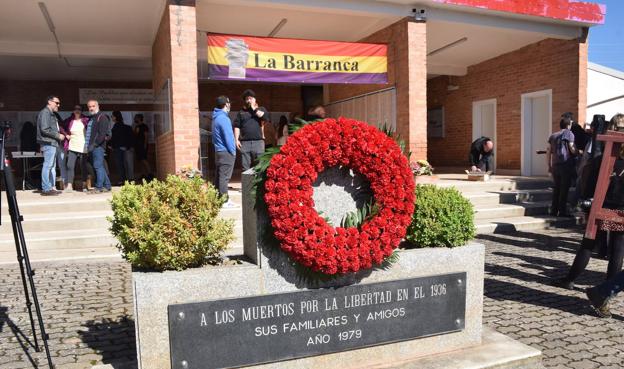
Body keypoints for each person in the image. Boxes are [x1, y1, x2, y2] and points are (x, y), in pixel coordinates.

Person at [553, 114, 624, 291]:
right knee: (617, 248)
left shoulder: (604, 157)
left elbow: (589, 180)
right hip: (618, 207)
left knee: (589, 243)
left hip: (602, 204)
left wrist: (585, 201)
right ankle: (606, 289)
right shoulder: (606, 157)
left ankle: (570, 280)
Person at [546, 118, 577, 217]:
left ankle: (553, 211)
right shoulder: (569, 133)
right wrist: (577, 152)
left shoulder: (553, 136)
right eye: (571, 124)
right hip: (566, 164)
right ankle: (562, 211)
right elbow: (572, 148)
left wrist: (549, 165)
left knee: (557, 188)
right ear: (568, 125)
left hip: (555, 165)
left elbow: (548, 151)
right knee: (564, 189)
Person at [36, 95, 64, 196]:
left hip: (51, 143)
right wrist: (57, 135)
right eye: (56, 103)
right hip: (48, 143)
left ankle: (51, 187)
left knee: (51, 166)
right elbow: (44, 129)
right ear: (49, 102)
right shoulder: (45, 113)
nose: (58, 105)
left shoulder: (51, 113)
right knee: (48, 165)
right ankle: (46, 189)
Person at [234, 89, 269, 171]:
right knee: (245, 167)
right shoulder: (241, 112)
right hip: (245, 143)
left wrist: (254, 108)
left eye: (251, 98)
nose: (249, 100)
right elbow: (237, 126)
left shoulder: (261, 109)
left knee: (260, 166)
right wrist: (236, 140)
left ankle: (258, 183)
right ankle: (246, 184)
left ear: (255, 99)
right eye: (247, 99)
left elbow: (264, 117)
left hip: (258, 142)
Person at [212, 96, 237, 208]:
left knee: (219, 176)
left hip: (219, 151)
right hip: (226, 152)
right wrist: (233, 151)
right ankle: (224, 201)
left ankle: (218, 199)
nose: (230, 105)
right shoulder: (224, 118)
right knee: (224, 177)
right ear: (226, 104)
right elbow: (229, 137)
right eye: (229, 103)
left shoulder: (216, 117)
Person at [85, 100, 112, 193]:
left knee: (97, 166)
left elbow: (102, 134)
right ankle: (107, 186)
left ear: (98, 106)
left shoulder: (102, 117)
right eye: (89, 106)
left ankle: (99, 187)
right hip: (92, 146)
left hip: (98, 146)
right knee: (99, 166)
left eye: (93, 106)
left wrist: (95, 145)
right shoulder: (92, 118)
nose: (91, 108)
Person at [63, 105, 90, 192]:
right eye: (75, 109)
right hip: (72, 145)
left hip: (83, 146)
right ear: (73, 111)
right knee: (70, 165)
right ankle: (69, 185)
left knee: (83, 166)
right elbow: (60, 126)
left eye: (79, 109)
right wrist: (66, 134)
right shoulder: (69, 120)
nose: (77, 111)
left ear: (82, 111)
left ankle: (84, 184)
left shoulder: (86, 120)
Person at [110, 111, 134, 184]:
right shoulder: (127, 127)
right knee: (128, 164)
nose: (111, 117)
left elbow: (114, 138)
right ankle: (130, 180)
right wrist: (129, 147)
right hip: (127, 148)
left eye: (112, 116)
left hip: (118, 148)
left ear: (115, 117)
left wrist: (111, 146)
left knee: (120, 164)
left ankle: (122, 180)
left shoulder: (115, 127)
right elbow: (131, 138)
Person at [133, 114, 151, 181]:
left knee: (144, 160)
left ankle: (149, 174)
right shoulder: (136, 126)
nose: (134, 119)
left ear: (139, 118)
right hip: (137, 146)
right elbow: (135, 135)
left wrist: (145, 145)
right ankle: (143, 174)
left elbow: (146, 136)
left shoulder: (144, 126)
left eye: (136, 118)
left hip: (142, 146)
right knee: (140, 161)